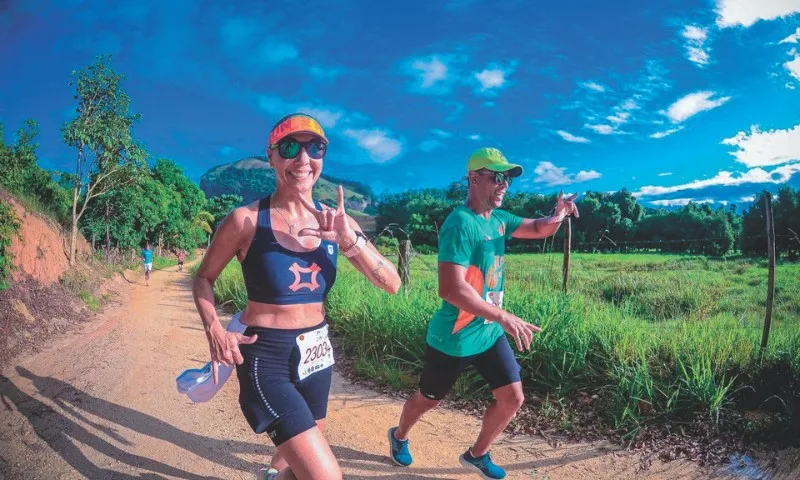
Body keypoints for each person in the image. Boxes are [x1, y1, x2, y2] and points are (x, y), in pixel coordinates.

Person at [192, 113, 402, 480]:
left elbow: (391, 283)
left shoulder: (338, 222)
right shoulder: (246, 220)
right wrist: (214, 328)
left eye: (315, 148)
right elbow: (204, 278)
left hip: (316, 355)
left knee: (292, 465)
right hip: (265, 356)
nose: (303, 159)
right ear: (271, 156)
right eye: (290, 148)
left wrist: (350, 241)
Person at [387, 147, 579, 479]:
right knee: (428, 399)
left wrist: (559, 213)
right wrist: (503, 316)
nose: (504, 184)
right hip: (455, 338)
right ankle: (399, 434)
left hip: (488, 333)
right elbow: (450, 288)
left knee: (512, 398)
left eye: (507, 179)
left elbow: (539, 228)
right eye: (497, 177)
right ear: (474, 179)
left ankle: (478, 454)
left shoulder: (501, 220)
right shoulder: (460, 224)